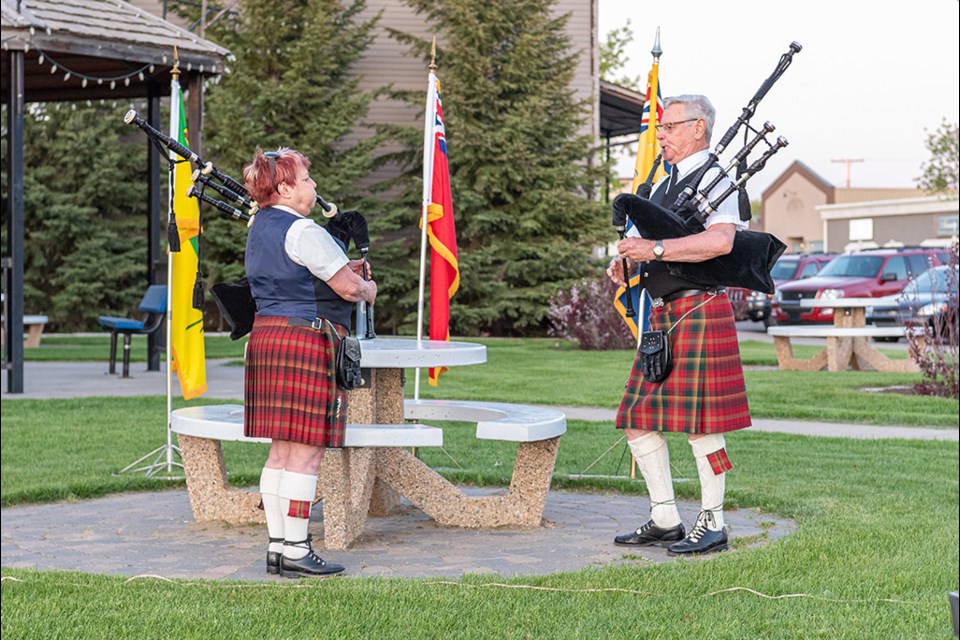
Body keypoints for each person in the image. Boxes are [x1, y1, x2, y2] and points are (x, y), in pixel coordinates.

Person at [607, 95, 751, 556]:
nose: (661, 136)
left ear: (698, 129)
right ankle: (666, 516)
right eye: (661, 128)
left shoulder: (717, 180)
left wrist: (658, 252)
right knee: (636, 419)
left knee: (702, 425)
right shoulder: (662, 185)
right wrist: (628, 260)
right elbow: (649, 240)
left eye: (669, 127)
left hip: (700, 309)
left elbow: (722, 241)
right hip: (665, 315)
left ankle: (714, 522)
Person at [242, 147, 377, 578]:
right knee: (305, 454)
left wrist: (343, 267)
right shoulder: (304, 230)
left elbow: (296, 274)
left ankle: (278, 547)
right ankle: (298, 549)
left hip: (267, 336)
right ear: (284, 187)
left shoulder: (260, 225)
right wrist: (367, 287)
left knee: (280, 452)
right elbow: (348, 289)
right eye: (306, 180)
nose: (313, 186)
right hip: (304, 339)